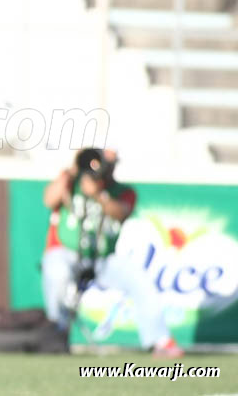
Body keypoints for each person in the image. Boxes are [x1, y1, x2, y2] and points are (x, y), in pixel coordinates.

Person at [41, 147, 183, 358]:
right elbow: (49, 200)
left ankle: (160, 340)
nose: (100, 168)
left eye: (108, 163)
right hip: (67, 252)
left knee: (140, 279)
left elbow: (121, 212)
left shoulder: (122, 191)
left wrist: (98, 194)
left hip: (103, 259)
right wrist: (74, 168)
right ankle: (56, 335)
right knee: (56, 271)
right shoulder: (71, 181)